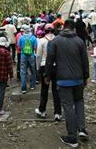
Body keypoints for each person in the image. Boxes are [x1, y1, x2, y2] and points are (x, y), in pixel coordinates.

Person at [46, 19, 90, 148]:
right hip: (78, 79)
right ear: (74, 28)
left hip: (63, 79)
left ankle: (72, 137)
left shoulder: (56, 41)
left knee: (68, 106)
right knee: (79, 102)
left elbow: (50, 60)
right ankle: (81, 129)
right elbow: (85, 61)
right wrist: (85, 76)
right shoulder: (79, 41)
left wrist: (47, 75)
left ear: (63, 27)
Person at [35, 24, 62, 121]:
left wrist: (37, 67)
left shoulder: (41, 41)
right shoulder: (58, 40)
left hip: (44, 65)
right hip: (56, 66)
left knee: (44, 90)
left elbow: (38, 55)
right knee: (56, 90)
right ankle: (58, 113)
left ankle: (42, 110)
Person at [18, 25, 38, 93]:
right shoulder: (33, 38)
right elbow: (35, 48)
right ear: (30, 31)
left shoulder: (21, 37)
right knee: (32, 70)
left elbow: (19, 47)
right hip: (31, 55)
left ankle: (23, 88)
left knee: (23, 71)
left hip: (23, 55)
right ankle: (32, 85)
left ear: (24, 31)